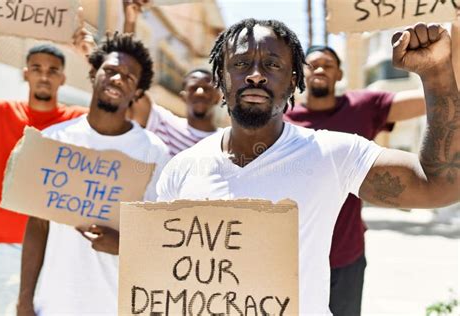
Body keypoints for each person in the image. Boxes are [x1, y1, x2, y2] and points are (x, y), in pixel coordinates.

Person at [156, 19, 460, 315]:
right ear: (221, 77)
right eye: (240, 63)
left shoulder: (333, 154)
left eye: (273, 64)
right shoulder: (182, 169)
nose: (256, 75)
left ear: (293, 81)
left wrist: (437, 76)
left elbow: (439, 186)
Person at [17, 33, 169, 315]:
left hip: (117, 305)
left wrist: (124, 243)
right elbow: (37, 225)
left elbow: (162, 233)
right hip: (54, 304)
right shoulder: (55, 138)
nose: (117, 79)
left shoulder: (153, 152)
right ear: (94, 73)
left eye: (129, 77)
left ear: (137, 92)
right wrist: (24, 300)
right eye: (110, 70)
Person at [283, 45, 426, 316]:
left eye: (328, 64)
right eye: (313, 64)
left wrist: (434, 71)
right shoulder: (281, 121)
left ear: (339, 74)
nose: (320, 70)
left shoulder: (361, 107)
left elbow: (429, 99)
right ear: (299, 74)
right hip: (294, 257)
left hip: (346, 254)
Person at [0, 44, 88, 314]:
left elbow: (124, 112)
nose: (44, 76)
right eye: (37, 69)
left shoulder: (77, 120)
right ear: (25, 74)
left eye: (53, 70)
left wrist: (89, 54)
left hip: (55, 252)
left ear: (63, 78)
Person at [128, 69, 222, 155]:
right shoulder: (164, 123)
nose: (200, 92)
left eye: (207, 89)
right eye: (193, 88)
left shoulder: (227, 141)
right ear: (183, 97)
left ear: (218, 98)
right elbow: (134, 95)